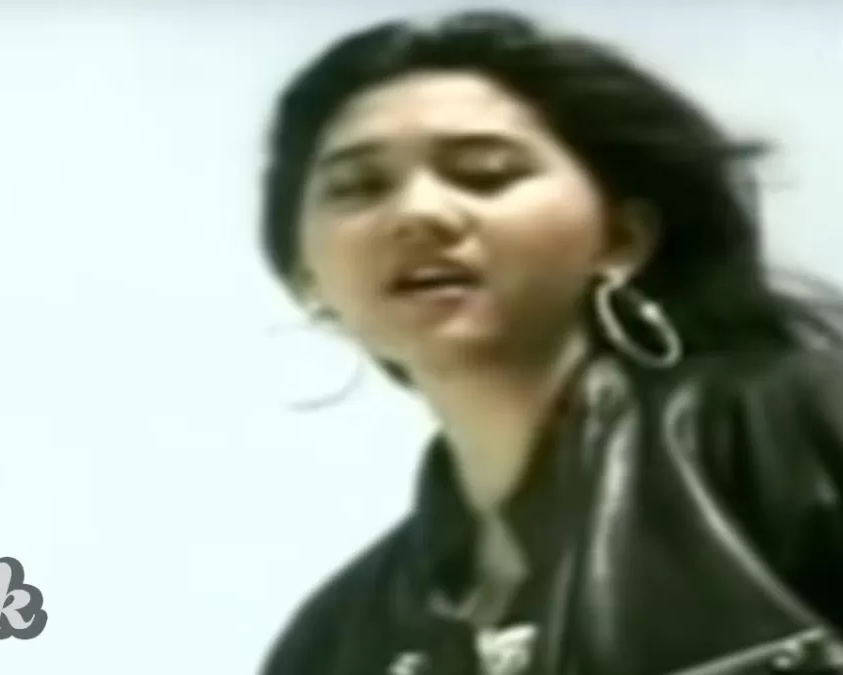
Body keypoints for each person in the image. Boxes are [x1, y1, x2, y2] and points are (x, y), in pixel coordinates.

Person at [256, 9, 843, 675]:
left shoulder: (795, 432)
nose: (417, 212)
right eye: (357, 187)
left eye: (485, 172)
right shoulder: (333, 644)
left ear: (621, 239)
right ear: (308, 280)